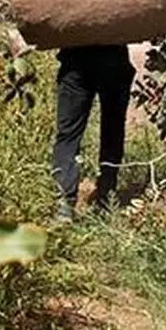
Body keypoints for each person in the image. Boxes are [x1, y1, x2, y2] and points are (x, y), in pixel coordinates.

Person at [50, 43, 136, 222]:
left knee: (68, 135)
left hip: (76, 61)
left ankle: (65, 203)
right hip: (112, 60)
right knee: (113, 132)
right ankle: (106, 197)